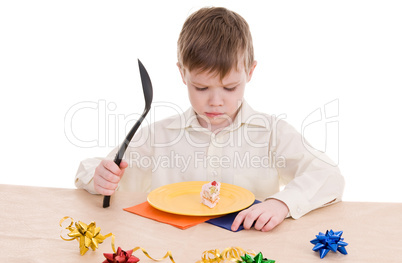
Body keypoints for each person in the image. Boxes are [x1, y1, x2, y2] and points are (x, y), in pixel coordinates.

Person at [75, 7, 344, 232]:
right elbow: (92, 170)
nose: (215, 101)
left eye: (229, 88)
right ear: (183, 74)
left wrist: (282, 203)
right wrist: (100, 178)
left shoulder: (272, 133)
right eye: (201, 88)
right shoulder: (160, 136)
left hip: (247, 253)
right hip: (171, 251)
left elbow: (328, 175)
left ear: (250, 72)